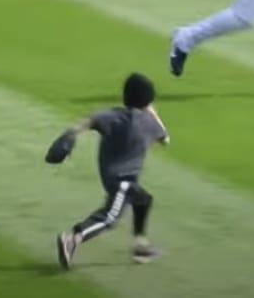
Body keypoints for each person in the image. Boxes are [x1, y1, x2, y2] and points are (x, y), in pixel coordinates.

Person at [51, 72, 170, 269]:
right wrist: (152, 112)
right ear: (148, 99)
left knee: (143, 200)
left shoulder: (111, 115)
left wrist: (71, 136)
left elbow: (87, 121)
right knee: (110, 217)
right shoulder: (149, 123)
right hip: (123, 181)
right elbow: (165, 140)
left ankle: (140, 246)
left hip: (111, 177)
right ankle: (73, 238)